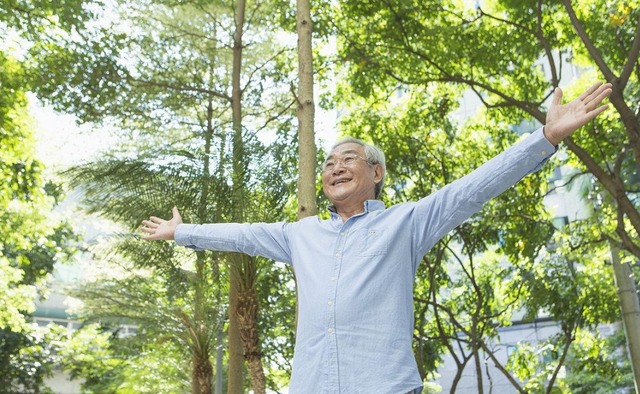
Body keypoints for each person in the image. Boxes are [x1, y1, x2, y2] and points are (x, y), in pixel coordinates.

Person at [141, 82, 612, 394]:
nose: (335, 167)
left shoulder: (407, 223)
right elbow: (243, 235)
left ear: (376, 172)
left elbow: (472, 189)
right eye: (327, 164)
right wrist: (181, 232)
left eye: (348, 159)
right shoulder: (299, 235)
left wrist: (545, 137)